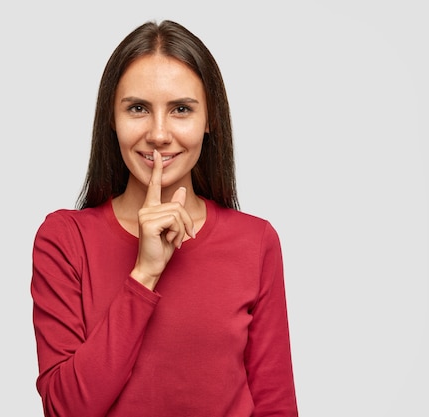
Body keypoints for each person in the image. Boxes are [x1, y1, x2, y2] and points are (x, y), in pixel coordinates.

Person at [31, 19, 299, 417]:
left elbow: (276, 406)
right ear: (111, 118)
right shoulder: (65, 239)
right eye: (138, 108)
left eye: (181, 110)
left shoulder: (255, 241)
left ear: (210, 120)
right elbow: (67, 409)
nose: (159, 133)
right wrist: (144, 274)